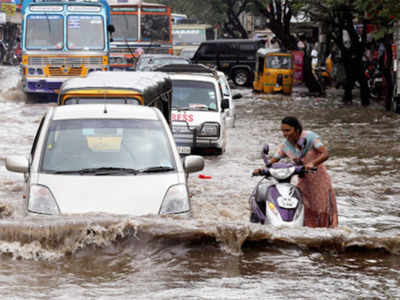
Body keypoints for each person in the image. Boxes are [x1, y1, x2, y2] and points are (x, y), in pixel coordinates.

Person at [252, 116, 338, 228]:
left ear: (297, 130)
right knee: (304, 208)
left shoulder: (310, 137)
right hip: (303, 181)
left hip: (319, 179)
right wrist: (261, 169)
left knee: (321, 208)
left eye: (287, 130)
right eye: (282, 131)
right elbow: (273, 161)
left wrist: (312, 164)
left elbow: (325, 154)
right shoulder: (285, 146)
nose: (284, 134)